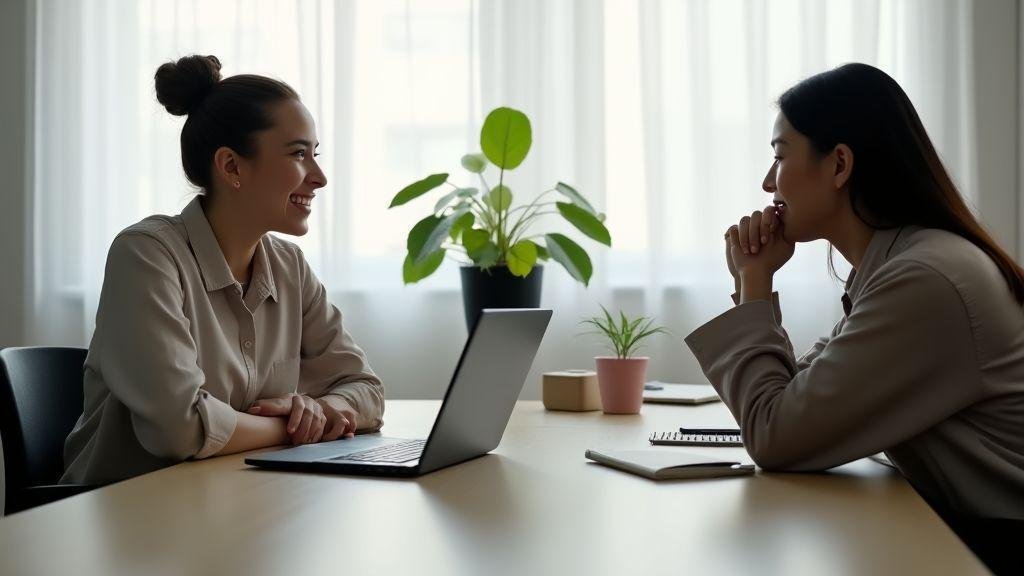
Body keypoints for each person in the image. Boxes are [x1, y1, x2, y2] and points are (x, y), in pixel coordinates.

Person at [684, 63, 1024, 521]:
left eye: (781, 156)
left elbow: (774, 435)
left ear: (840, 164)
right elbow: (794, 400)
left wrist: (755, 286)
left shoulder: (924, 281)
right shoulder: (899, 267)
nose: (768, 182)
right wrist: (752, 280)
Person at [61, 55, 384, 485]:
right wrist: (292, 425)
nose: (320, 176)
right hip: (124, 519)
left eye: (315, 154)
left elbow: (366, 391)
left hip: (231, 502)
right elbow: (179, 430)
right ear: (231, 166)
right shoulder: (145, 256)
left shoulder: (289, 267)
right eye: (299, 154)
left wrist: (319, 411)